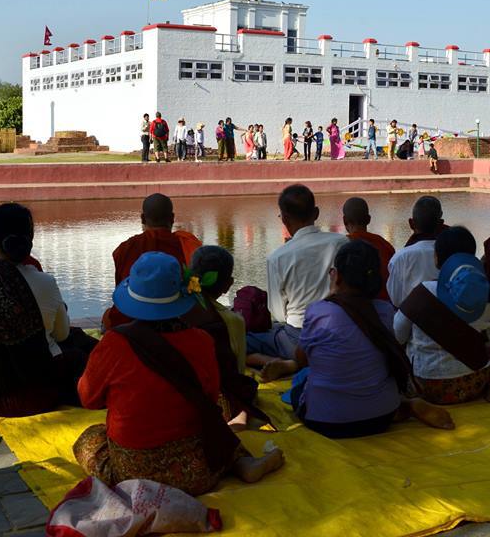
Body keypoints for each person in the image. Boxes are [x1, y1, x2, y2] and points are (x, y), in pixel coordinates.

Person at [73, 252, 285, 493]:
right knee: (220, 434)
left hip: (135, 475)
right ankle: (240, 463)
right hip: (197, 470)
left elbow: (88, 399)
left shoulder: (113, 343)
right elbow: (210, 394)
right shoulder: (202, 341)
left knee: (89, 439)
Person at [289, 240, 455, 438]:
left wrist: (332, 293)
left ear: (337, 276)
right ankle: (405, 405)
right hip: (381, 418)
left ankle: (402, 405)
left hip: (327, 423)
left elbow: (300, 359)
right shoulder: (385, 311)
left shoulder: (318, 312)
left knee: (299, 385)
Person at [0, 203, 90, 418]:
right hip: (38, 397)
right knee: (79, 351)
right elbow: (61, 335)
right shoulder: (45, 282)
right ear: (31, 236)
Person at [394, 227, 490, 405]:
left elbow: (397, 336)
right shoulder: (483, 295)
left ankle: (414, 406)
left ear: (437, 259)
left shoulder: (422, 293)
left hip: (427, 387)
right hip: (475, 382)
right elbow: (488, 341)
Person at [247, 185, 347, 379]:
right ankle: (295, 362)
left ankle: (279, 361)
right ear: (316, 213)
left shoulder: (278, 257)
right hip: (338, 329)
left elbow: (277, 313)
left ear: (284, 219)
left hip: (296, 336)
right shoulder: (341, 243)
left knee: (241, 341)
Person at [182, 246, 265, 429]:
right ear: (228, 284)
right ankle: (240, 417)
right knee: (248, 389)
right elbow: (237, 369)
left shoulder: (173, 310)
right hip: (219, 402)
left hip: (178, 397)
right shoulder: (233, 321)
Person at [103, 194, 202, 329]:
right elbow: (197, 289)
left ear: (143, 218)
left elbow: (122, 287)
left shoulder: (127, 248)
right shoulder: (187, 245)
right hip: (178, 315)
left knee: (107, 317)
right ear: (172, 218)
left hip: (130, 318)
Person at [387, 196, 444, 307]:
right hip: (445, 320)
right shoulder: (452, 255)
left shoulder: (400, 258)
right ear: (441, 224)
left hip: (409, 320)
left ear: (411, 223)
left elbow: (395, 300)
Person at [342, 197, 395, 302]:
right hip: (385, 306)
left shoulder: (342, 246)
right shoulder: (385, 246)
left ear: (344, 220)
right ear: (369, 219)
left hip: (353, 308)